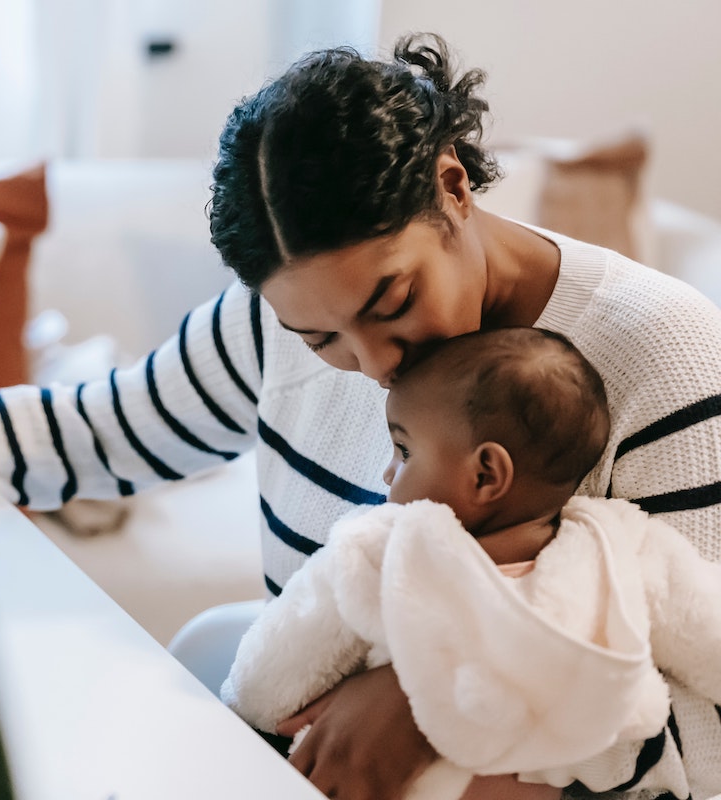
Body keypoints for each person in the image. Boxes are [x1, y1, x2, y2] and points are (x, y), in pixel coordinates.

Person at [0, 33, 721, 800]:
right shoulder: (268, 329)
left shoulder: (660, 354)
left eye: (390, 303)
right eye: (322, 340)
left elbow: (706, 734)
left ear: (453, 186)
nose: (373, 366)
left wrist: (431, 702)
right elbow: (94, 433)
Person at [222, 326, 721, 800]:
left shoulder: (388, 548)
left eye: (403, 450)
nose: (387, 471)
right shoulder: (628, 546)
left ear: (486, 473)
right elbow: (708, 638)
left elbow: (271, 676)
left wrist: (241, 708)